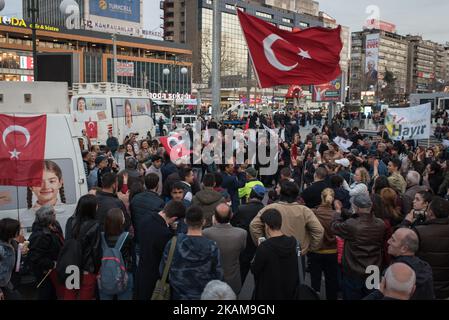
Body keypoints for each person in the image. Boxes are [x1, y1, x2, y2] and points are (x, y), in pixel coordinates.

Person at [159, 206, 223, 300]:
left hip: (178, 295)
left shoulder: (173, 243)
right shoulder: (212, 246)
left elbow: (163, 270)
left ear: (185, 221)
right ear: (203, 222)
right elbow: (218, 275)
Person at [331, 193, 386, 300]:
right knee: (372, 297)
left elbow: (334, 227)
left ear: (357, 208)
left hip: (354, 271)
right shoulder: (380, 224)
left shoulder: (352, 225)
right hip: (373, 269)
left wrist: (338, 213)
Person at [250, 181, 324, 256]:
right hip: (297, 253)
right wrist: (309, 248)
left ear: (281, 193)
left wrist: (262, 244)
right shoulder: (304, 210)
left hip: (274, 253)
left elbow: (254, 225)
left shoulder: (270, 208)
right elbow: (319, 230)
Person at [135, 201, 186, 300]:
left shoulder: (145, 219)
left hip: (141, 271)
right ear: (174, 218)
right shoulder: (165, 234)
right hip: (154, 278)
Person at [403, 197, 449, 299]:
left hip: (424, 285)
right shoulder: (421, 231)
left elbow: (401, 242)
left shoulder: (419, 232)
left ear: (431, 213)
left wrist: (406, 223)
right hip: (445, 288)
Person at [251, 209, 299, 300]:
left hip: (268, 292)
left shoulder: (265, 247)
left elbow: (255, 269)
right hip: (290, 291)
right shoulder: (293, 242)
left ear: (267, 226)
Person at [62, 195, 102, 300]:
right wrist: (97, 270)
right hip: (87, 269)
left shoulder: (70, 222)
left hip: (71, 266)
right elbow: (96, 250)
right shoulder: (95, 225)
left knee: (70, 296)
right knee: (85, 296)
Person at [203, 203, 246, 295]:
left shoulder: (206, 233)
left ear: (214, 217)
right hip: (232, 281)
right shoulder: (242, 233)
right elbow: (242, 250)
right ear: (231, 215)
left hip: (212, 281)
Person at [385, 228, 435, 299]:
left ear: (404, 249)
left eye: (393, 240)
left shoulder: (394, 272)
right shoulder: (425, 267)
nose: (388, 241)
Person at [28, 206, 64, 300]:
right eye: (53, 213)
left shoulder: (55, 225)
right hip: (46, 272)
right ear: (48, 217)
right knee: (47, 294)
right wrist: (52, 264)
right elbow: (35, 257)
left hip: (55, 270)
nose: (55, 215)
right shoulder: (40, 235)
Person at [231, 185, 265, 284]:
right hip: (257, 245)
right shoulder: (264, 210)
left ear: (251, 194)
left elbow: (233, 223)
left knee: (242, 270)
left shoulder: (242, 208)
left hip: (243, 245)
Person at [99, 208, 134, 300]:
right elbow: (132, 256)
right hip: (124, 274)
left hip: (105, 275)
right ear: (121, 221)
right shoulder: (127, 237)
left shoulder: (101, 236)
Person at [23, 160, 67, 234]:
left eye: (51, 181)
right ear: (30, 186)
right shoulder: (23, 217)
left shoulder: (71, 213)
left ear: (60, 183)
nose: (46, 186)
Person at [310, 189, 339, 300]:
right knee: (331, 281)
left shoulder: (314, 212)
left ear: (321, 197)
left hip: (316, 250)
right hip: (332, 251)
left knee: (315, 280)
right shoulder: (336, 215)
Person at [130, 173, 165, 246]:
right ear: (157, 185)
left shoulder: (135, 198)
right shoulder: (160, 202)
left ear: (145, 184)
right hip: (150, 241)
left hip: (137, 238)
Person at [0, 218, 22, 300]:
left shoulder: (13, 242)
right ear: (9, 231)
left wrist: (21, 252)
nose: (20, 231)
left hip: (9, 282)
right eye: (18, 229)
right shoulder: (1, 248)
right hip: (2, 285)